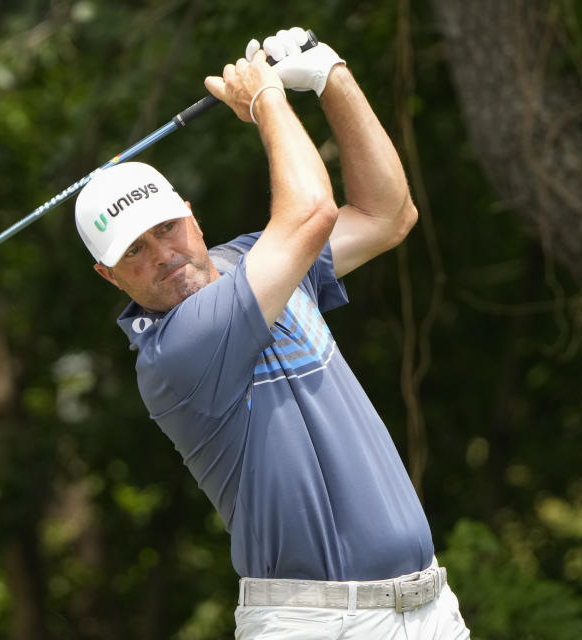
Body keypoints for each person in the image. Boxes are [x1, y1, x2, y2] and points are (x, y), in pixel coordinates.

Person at [74, 27, 470, 640]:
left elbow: (387, 216)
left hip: (427, 607)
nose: (163, 254)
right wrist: (266, 101)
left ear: (191, 216)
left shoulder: (253, 260)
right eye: (134, 251)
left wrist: (331, 76)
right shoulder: (176, 349)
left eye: (166, 228)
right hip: (315, 623)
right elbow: (310, 214)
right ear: (108, 276)